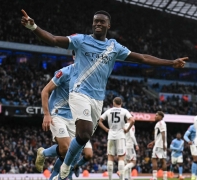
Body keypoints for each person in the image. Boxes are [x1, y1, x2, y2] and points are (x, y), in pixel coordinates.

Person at [21, 9, 187, 180]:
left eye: (102, 21)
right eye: (95, 21)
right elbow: (54, 39)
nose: (98, 24)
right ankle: (65, 168)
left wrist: (171, 62)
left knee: (82, 141)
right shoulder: (81, 41)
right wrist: (33, 27)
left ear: (108, 25)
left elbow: (142, 58)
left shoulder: (114, 47)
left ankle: (64, 167)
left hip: (97, 99)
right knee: (84, 134)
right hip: (79, 94)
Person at [36, 50, 93, 180]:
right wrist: (46, 114)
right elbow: (45, 91)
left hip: (73, 117)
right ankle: (43, 153)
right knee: (66, 149)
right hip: (57, 113)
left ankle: (48, 164)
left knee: (69, 154)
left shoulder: (88, 77)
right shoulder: (65, 72)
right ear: (74, 57)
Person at [98, 97, 135, 180]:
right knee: (121, 158)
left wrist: (106, 129)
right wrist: (127, 129)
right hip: (121, 136)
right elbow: (132, 120)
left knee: (110, 158)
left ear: (113, 103)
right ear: (121, 103)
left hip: (111, 136)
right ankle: (121, 179)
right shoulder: (124, 111)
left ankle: (110, 178)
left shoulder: (108, 111)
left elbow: (99, 121)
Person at [147, 111, 167, 180]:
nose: (155, 116)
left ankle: (155, 177)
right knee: (163, 160)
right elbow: (160, 135)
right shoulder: (162, 123)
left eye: (157, 115)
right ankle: (165, 178)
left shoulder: (160, 123)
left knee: (154, 159)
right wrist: (153, 142)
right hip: (160, 144)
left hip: (159, 145)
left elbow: (163, 133)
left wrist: (163, 144)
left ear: (161, 117)